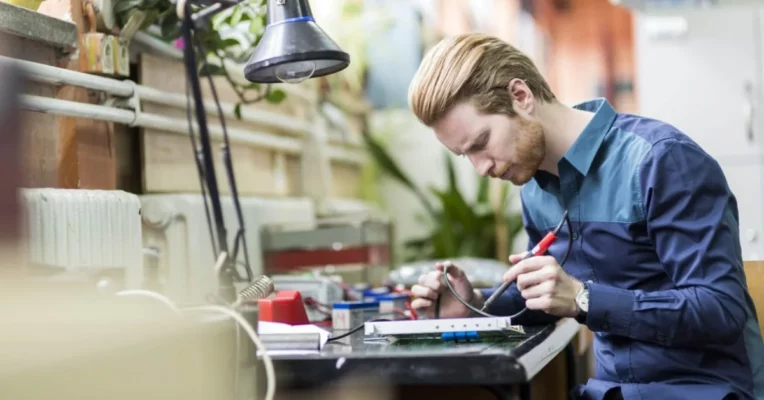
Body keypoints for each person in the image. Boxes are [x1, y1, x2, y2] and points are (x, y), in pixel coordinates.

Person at [407, 33, 764, 400]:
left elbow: (721, 309)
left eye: (481, 142)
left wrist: (584, 299)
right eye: (465, 155)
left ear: (520, 96)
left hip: (706, 391)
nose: (481, 168)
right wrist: (475, 306)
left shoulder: (660, 161)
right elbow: (547, 298)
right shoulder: (533, 189)